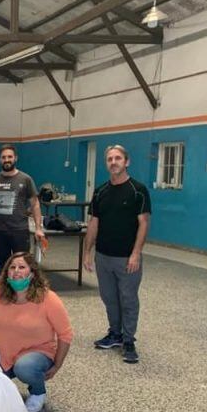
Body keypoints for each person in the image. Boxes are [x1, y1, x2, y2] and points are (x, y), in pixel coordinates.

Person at [83, 144, 151, 364]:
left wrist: (136, 254)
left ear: (126, 161)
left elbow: (143, 224)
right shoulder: (100, 192)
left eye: (118, 158)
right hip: (104, 256)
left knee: (128, 299)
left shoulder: (138, 190)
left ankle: (129, 340)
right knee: (109, 298)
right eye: (110, 159)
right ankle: (115, 334)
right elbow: (94, 223)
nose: (113, 162)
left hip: (127, 258)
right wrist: (87, 252)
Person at [0, 252, 73, 412]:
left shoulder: (48, 298)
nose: (16, 270)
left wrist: (57, 365)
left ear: (32, 274)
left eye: (22, 267)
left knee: (24, 368)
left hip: (37, 352)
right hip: (3, 353)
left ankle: (38, 392)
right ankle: (6, 385)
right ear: (6, 272)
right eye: (12, 267)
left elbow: (65, 334)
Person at [0, 144, 45, 268]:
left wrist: (38, 228)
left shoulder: (26, 179)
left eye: (10, 157)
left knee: (22, 266)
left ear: (16, 158)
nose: (7, 160)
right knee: (2, 267)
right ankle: (4, 288)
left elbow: (35, 204)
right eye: (3, 157)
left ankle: (20, 288)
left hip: (19, 231)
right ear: (0, 159)